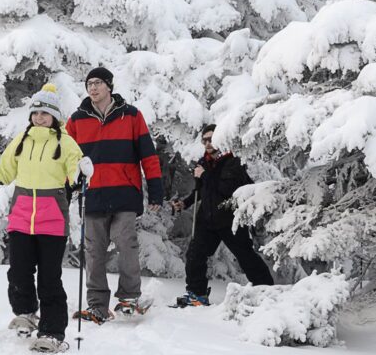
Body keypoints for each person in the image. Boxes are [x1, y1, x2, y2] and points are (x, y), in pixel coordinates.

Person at [0, 84, 84, 353]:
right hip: (22, 218)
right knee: (18, 272)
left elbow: (75, 172)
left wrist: (83, 173)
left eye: (45, 113)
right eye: (36, 112)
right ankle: (26, 312)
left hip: (52, 221)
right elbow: (4, 172)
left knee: (50, 279)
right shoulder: (22, 141)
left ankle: (52, 332)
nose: (39, 117)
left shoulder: (66, 142)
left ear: (55, 116)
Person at [66, 67, 163, 323]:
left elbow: (148, 156)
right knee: (94, 251)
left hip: (124, 194)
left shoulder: (131, 115)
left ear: (109, 85)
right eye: (89, 84)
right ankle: (97, 305)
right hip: (93, 195)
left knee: (126, 243)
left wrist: (156, 191)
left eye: (98, 83)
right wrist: (68, 188)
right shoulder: (77, 119)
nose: (93, 88)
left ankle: (129, 297)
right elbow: (65, 158)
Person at [170, 124, 274, 306]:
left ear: (219, 139)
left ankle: (267, 292)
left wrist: (205, 176)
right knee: (195, 254)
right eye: (205, 140)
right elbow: (202, 190)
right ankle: (197, 294)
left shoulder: (233, 161)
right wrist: (185, 203)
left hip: (230, 219)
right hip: (208, 219)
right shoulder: (205, 162)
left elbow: (227, 189)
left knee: (245, 256)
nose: (208, 143)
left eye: (211, 139)